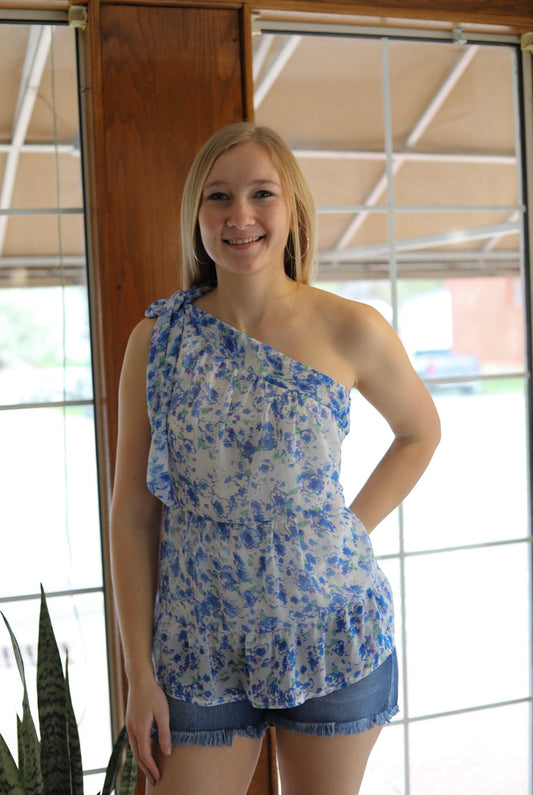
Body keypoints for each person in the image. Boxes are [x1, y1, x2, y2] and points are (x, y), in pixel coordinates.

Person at [110, 122, 441, 795]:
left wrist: (348, 529)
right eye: (218, 197)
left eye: (262, 193)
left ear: (291, 208)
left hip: (330, 631)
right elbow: (132, 516)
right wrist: (138, 674)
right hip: (197, 643)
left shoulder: (351, 327)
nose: (240, 216)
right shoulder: (156, 341)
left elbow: (419, 431)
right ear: (195, 216)